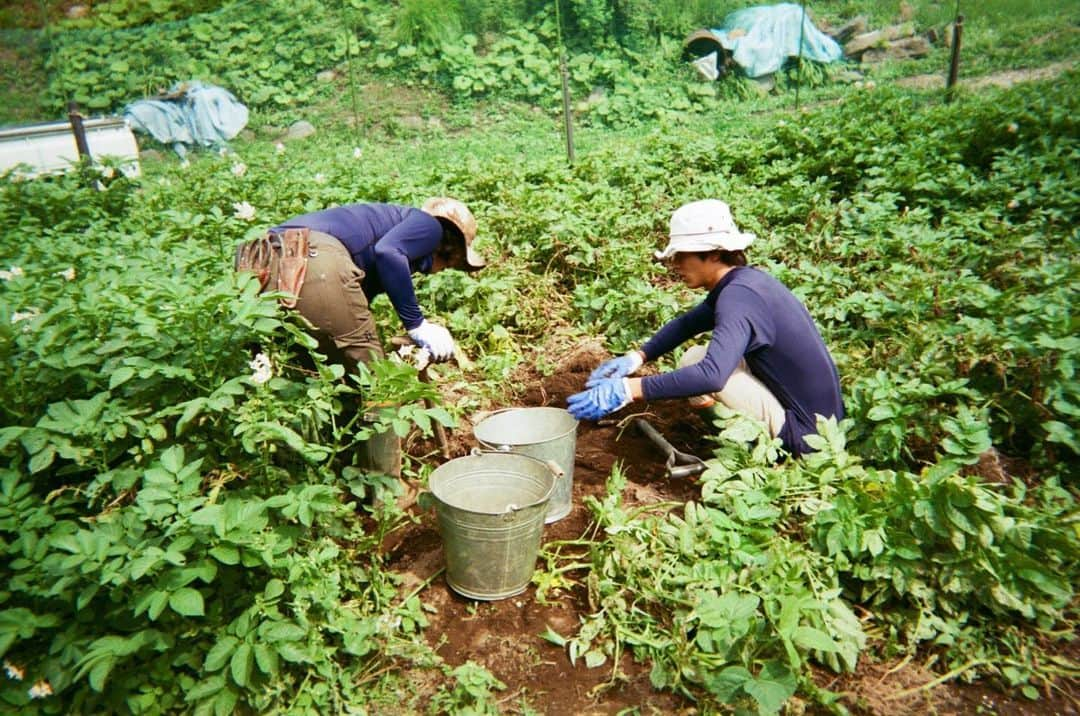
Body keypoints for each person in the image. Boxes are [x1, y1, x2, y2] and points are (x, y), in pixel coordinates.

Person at [567, 199, 843, 457]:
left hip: (808, 440)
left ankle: (750, 456)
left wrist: (628, 389)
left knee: (698, 366)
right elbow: (688, 323)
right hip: (821, 424)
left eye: (681, 256)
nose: (674, 265)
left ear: (713, 254)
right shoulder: (745, 283)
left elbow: (710, 377)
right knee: (697, 358)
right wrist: (637, 357)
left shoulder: (738, 298)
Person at [237, 197, 485, 475]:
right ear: (449, 247)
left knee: (306, 374)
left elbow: (348, 315)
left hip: (259, 263)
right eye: (450, 265)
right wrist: (417, 323)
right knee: (378, 384)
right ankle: (384, 493)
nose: (440, 271)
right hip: (313, 262)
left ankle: (306, 472)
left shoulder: (378, 230)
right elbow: (389, 252)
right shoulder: (430, 227)